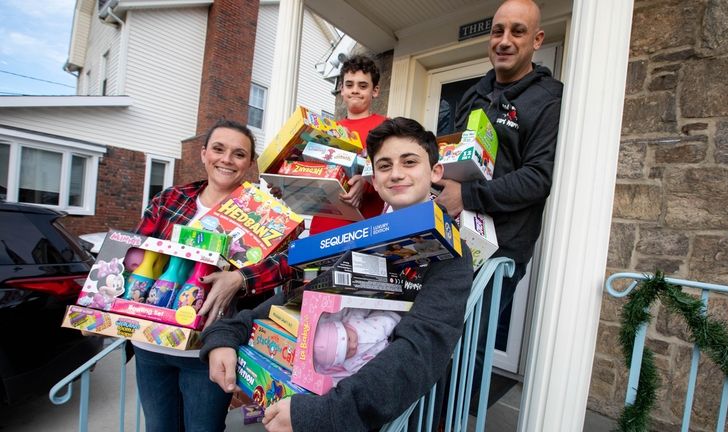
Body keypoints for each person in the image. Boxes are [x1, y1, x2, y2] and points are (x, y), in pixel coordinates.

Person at [201, 117, 474, 432]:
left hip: (370, 416)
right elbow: (296, 299)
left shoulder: (451, 254)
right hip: (312, 390)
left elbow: (419, 351)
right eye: (384, 166)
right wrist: (227, 334)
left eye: (409, 162)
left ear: (435, 172)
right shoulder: (361, 236)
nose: (396, 173)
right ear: (374, 175)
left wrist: (322, 413)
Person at [434, 0, 563, 409]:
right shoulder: (475, 92)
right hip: (454, 234)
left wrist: (466, 195)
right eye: (498, 31)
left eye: (518, 32)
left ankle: (446, 417)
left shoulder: (548, 99)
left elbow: (538, 178)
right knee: (434, 330)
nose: (504, 41)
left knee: (468, 344)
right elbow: (458, 154)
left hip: (501, 248)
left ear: (537, 40)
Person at [132, 119, 290, 432]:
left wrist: (241, 278)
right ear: (204, 154)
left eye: (238, 154)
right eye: (218, 149)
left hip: (208, 348)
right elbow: (135, 256)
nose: (226, 159)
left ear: (250, 163)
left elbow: (290, 263)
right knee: (158, 427)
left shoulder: (264, 213)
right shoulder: (169, 200)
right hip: (150, 345)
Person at [309, 54, 387, 235]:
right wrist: (285, 186)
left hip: (364, 227)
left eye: (363, 85)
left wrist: (366, 181)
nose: (355, 90)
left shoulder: (387, 126)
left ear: (375, 91)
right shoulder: (327, 131)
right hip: (323, 225)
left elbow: (392, 168)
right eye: (349, 85)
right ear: (341, 90)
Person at [313, 309, 402, 381]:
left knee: (388, 321)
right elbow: (365, 371)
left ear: (345, 327)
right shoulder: (350, 364)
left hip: (391, 319)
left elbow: (362, 305)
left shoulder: (351, 319)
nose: (353, 346)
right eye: (347, 352)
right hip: (392, 350)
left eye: (349, 339)